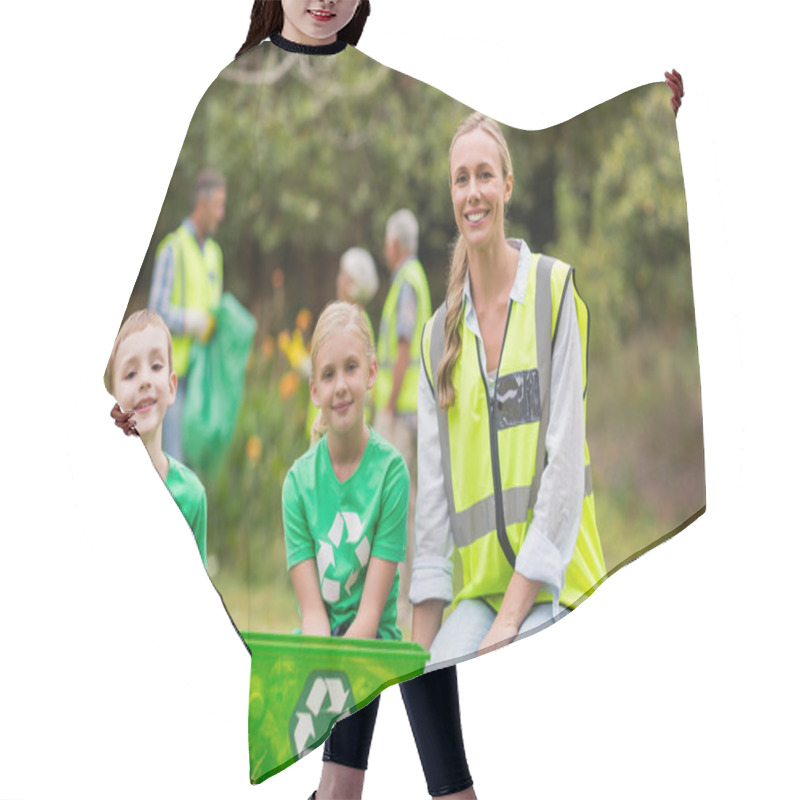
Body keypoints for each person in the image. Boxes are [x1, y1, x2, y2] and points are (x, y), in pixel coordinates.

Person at [410, 112, 606, 667]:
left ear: (508, 185)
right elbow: (432, 515)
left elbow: (564, 471)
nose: (474, 192)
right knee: (431, 679)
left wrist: (510, 620)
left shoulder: (554, 293)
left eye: (485, 175)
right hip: (481, 596)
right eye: (461, 179)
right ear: (451, 193)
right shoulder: (434, 341)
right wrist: (414, 657)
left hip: (559, 581)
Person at [284, 301, 475, 800]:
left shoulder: (391, 472)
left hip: (375, 642)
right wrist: (321, 678)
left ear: (372, 372)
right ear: (314, 390)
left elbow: (371, 610)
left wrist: (341, 669)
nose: (341, 384)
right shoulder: (297, 485)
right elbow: (312, 614)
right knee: (338, 791)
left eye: (351, 368)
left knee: (452, 788)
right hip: (326, 649)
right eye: (328, 374)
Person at [105, 309, 208, 567]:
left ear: (172, 387)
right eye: (130, 374)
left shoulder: (192, 495)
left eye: (156, 366)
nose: (145, 381)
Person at [373, 209, 432, 630]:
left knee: (398, 509)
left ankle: (400, 604)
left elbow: (405, 344)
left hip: (402, 412)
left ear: (395, 244)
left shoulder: (406, 283)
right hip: (409, 410)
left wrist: (389, 403)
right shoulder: (411, 280)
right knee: (401, 507)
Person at [146, 169, 226, 463]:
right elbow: (155, 313)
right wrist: (189, 322)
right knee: (173, 464)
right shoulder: (173, 248)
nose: (221, 213)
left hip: (203, 381)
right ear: (202, 204)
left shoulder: (214, 254)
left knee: (194, 467)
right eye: (218, 205)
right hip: (173, 380)